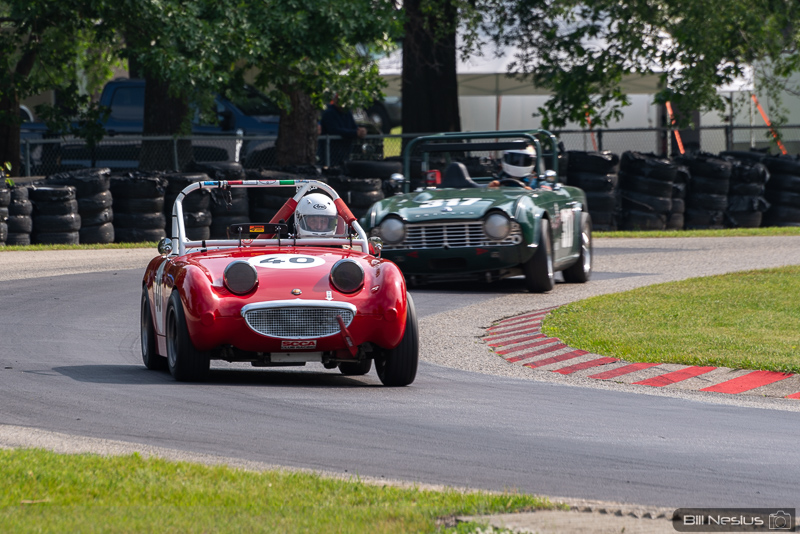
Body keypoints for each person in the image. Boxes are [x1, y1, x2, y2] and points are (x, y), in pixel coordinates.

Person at [319, 94, 367, 166]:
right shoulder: (328, 113)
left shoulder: (347, 113)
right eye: (339, 100)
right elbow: (334, 130)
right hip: (330, 153)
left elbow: (353, 126)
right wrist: (355, 133)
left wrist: (360, 130)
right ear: (334, 100)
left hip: (345, 152)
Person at [488, 145, 552, 190]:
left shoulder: (535, 183)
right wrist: (491, 190)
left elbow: (547, 195)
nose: (518, 163)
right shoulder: (499, 182)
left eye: (524, 161)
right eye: (514, 160)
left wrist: (533, 195)